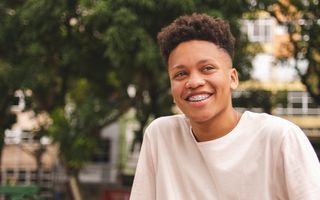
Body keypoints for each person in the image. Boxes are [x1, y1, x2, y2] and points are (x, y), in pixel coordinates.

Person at [130, 13, 320, 200]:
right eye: (180, 74)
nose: (194, 82)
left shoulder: (279, 138)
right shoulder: (161, 136)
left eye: (207, 68)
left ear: (232, 78)